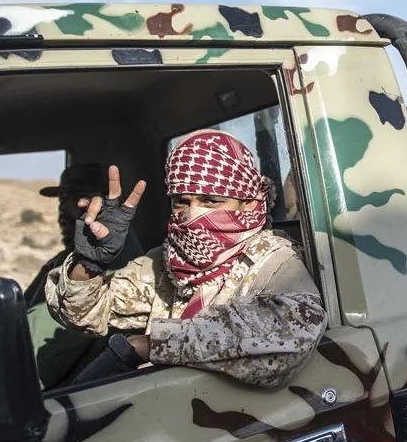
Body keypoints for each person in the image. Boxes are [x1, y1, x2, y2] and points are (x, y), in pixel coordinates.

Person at [44, 130, 327, 389]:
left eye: (211, 201)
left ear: (249, 203)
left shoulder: (273, 260)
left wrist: (151, 345)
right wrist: (90, 264)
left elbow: (291, 335)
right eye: (182, 201)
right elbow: (83, 314)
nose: (192, 216)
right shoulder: (165, 264)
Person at [24, 163, 143, 389]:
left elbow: (38, 364)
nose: (63, 210)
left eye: (75, 199)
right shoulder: (70, 258)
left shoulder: (107, 264)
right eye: (62, 200)